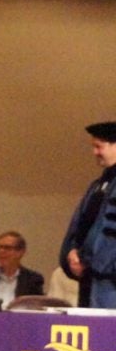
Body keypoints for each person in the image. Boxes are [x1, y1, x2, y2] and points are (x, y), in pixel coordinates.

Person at [60, 120, 116, 308]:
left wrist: (96, 263)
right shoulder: (97, 186)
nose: (95, 153)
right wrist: (73, 252)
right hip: (91, 280)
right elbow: (81, 225)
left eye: (99, 147)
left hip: (110, 284)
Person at [0, 231, 44, 308]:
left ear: (20, 252)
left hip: (19, 319)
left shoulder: (33, 279)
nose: (1, 251)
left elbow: (36, 308)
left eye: (7, 248)